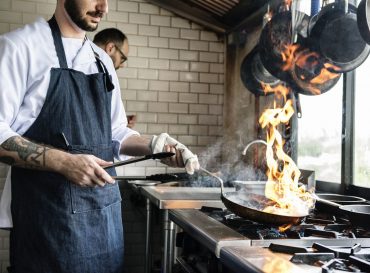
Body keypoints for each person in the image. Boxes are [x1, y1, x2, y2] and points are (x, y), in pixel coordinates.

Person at [0, 1, 199, 273]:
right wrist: (63, 162)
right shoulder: (20, 47)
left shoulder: (101, 60)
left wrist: (156, 146)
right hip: (47, 227)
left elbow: (115, 132)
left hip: (104, 224)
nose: (103, 7)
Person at [93, 28, 136, 128]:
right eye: (122, 58)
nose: (122, 65)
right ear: (110, 48)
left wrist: (119, 123)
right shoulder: (97, 75)